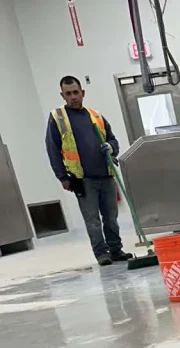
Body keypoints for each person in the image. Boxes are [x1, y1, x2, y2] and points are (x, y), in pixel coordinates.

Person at [45, 76, 132, 267]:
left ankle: (116, 250)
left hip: (106, 175)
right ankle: (101, 254)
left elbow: (113, 140)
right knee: (92, 220)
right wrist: (62, 176)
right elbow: (52, 149)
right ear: (62, 95)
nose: (73, 97)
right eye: (68, 93)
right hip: (82, 179)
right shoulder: (58, 118)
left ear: (82, 93)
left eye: (76, 92)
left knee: (111, 218)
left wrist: (111, 147)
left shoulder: (96, 116)